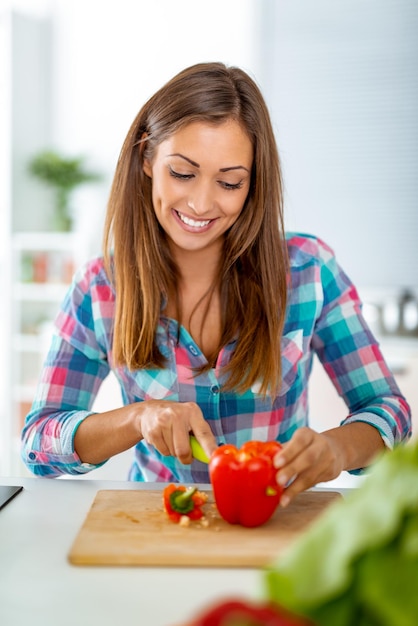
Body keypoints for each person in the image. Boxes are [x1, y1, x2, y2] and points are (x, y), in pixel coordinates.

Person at [21, 62, 411, 507]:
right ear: (147, 157)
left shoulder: (309, 271)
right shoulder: (100, 288)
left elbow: (390, 413)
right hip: (162, 523)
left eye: (229, 182)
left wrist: (338, 449)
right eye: (183, 174)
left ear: (253, 184)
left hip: (274, 522)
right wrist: (137, 418)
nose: (202, 203)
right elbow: (39, 444)